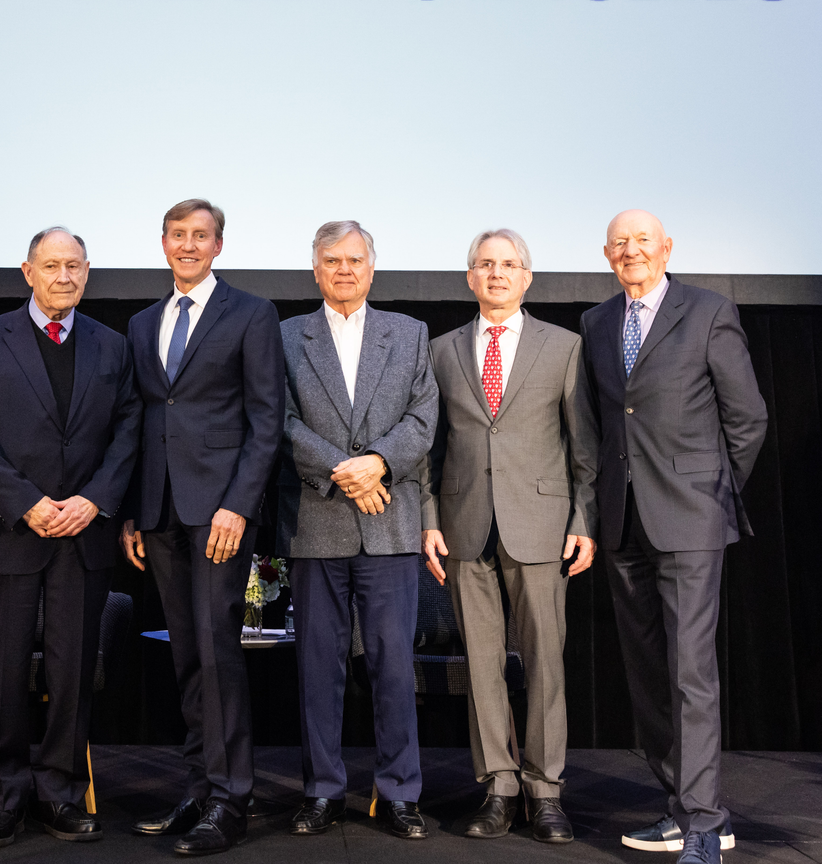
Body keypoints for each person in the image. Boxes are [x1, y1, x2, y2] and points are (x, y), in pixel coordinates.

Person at [578, 211, 767, 864]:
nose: (632, 251)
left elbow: (747, 417)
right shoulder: (597, 324)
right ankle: (679, 806)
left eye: (643, 242)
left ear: (666, 249)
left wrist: (710, 494)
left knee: (691, 674)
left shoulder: (709, 311)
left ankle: (707, 825)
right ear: (607, 255)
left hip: (689, 519)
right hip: (623, 520)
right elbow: (602, 424)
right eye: (620, 244)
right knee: (649, 677)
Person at [0, 227, 142, 848]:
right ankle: (2, 798)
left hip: (82, 536)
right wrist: (26, 503)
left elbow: (127, 431)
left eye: (75, 267)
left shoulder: (112, 347)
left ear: (88, 273)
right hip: (8, 532)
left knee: (70, 671)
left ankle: (60, 793)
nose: (64, 277)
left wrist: (93, 501)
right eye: (52, 266)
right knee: (2, 673)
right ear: (27, 272)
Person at [422, 229, 598, 843]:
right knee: (481, 664)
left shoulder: (565, 347)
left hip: (543, 527)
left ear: (527, 278)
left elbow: (585, 452)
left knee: (546, 662)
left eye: (508, 265)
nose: (496, 274)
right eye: (485, 265)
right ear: (470, 277)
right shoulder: (441, 350)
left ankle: (545, 792)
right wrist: (428, 521)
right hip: (464, 525)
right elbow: (430, 450)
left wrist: (583, 524)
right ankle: (497, 786)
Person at [121, 200, 284, 856]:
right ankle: (197, 786)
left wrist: (238, 505)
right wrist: (134, 509)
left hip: (220, 515)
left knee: (218, 652)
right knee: (186, 654)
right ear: (163, 242)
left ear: (219, 244)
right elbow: (139, 419)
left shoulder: (251, 313)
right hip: (160, 511)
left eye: (200, 236)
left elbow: (266, 418)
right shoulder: (141, 322)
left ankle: (231, 798)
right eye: (178, 235)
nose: (188, 245)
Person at [276, 220, 439, 840]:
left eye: (354, 259)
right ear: (315, 270)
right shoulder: (286, 337)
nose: (344, 270)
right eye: (331, 261)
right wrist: (345, 470)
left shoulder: (410, 333)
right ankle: (322, 791)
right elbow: (281, 420)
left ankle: (400, 793)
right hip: (314, 524)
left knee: (394, 667)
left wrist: (377, 463)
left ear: (372, 267)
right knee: (319, 668)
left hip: (388, 524)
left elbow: (424, 418)